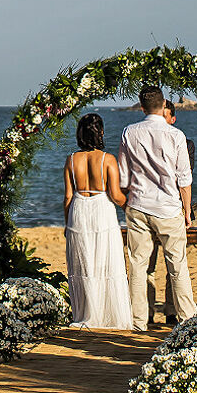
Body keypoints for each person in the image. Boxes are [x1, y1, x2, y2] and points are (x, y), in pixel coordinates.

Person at [120, 85, 195, 330]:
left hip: (139, 205)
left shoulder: (129, 133)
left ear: (142, 107)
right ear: (164, 106)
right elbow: (184, 179)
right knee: (177, 265)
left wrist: (126, 203)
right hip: (169, 208)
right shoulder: (176, 135)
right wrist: (187, 211)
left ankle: (137, 321)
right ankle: (187, 319)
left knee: (138, 266)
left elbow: (123, 177)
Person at [63, 113, 132, 330]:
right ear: (100, 133)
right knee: (106, 262)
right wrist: (130, 206)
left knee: (84, 262)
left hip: (79, 210)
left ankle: (86, 313)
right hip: (102, 209)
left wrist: (67, 225)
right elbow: (115, 195)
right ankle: (107, 315)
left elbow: (67, 196)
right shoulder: (107, 159)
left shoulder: (72, 160)